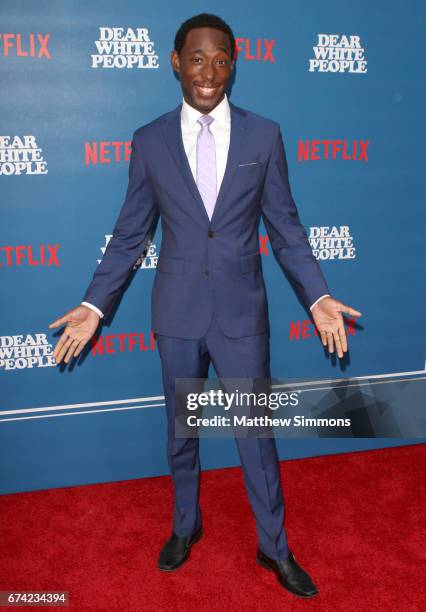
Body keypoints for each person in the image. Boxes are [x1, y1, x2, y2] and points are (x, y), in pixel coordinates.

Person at [49, 13, 361, 598]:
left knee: (255, 436)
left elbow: (287, 227)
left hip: (243, 313)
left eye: (221, 59)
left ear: (234, 64)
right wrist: (95, 305)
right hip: (177, 313)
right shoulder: (149, 141)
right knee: (182, 433)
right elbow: (129, 233)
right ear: (175, 61)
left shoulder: (263, 135)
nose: (209, 72)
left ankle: (275, 549)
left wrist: (316, 296)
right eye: (197, 58)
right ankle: (185, 528)